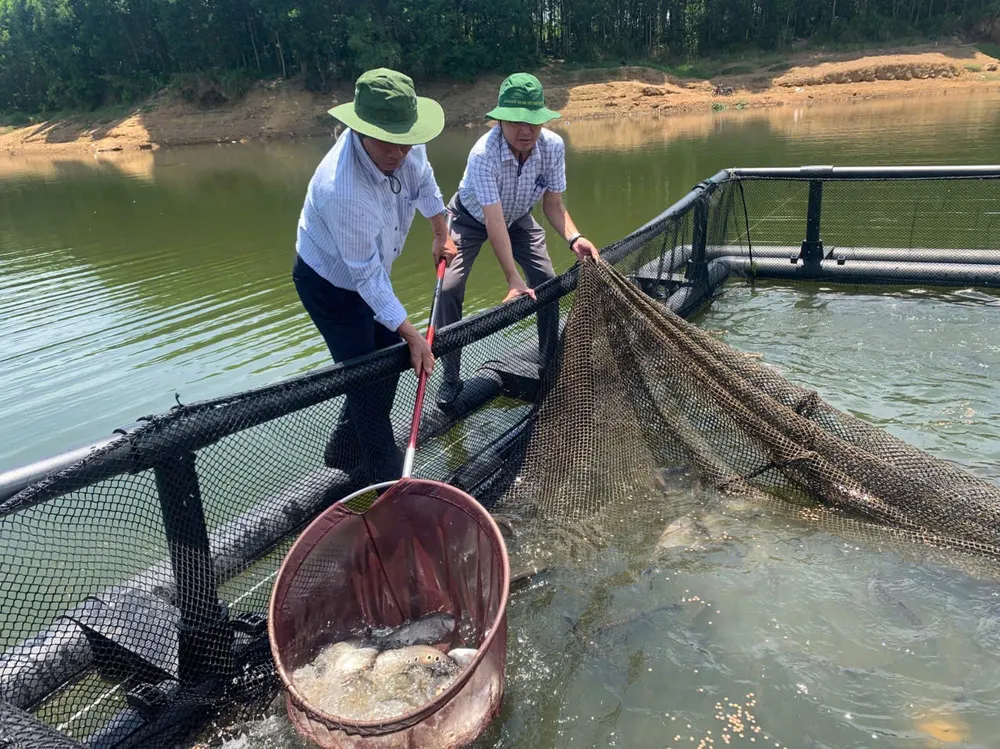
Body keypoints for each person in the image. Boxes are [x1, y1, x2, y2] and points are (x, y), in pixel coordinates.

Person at [292, 67, 457, 483]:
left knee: (386, 365)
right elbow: (366, 280)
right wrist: (414, 335)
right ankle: (385, 479)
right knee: (366, 380)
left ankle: (343, 449)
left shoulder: (406, 145)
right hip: (328, 285)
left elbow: (425, 183)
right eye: (386, 141)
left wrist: (440, 232)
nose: (398, 153)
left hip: (367, 274)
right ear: (360, 128)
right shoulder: (341, 189)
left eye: (405, 142)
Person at [435, 73, 600, 410]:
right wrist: (512, 277)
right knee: (449, 289)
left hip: (519, 217)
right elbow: (492, 221)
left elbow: (552, 205)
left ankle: (548, 360)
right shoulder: (484, 154)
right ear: (500, 121)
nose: (526, 131)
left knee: (546, 281)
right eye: (516, 122)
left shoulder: (552, 146)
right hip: (470, 219)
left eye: (533, 122)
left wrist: (575, 237)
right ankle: (450, 377)